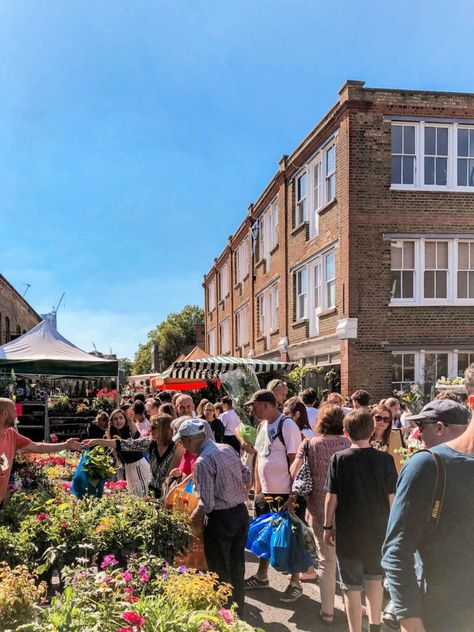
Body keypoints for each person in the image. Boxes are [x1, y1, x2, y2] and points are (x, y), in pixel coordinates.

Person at [382, 396, 474, 632]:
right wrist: (410, 621)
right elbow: (397, 552)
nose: (418, 435)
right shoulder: (427, 466)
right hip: (443, 617)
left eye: (422, 427)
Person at [324, 409, 398, 632]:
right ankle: (375, 625)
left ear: (346, 433)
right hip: (378, 530)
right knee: (375, 579)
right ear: (372, 431)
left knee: (351, 586)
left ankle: (355, 629)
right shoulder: (385, 460)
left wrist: (328, 526)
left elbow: (331, 496)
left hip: (348, 531)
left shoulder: (339, 459)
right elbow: (392, 498)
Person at [174, 419, 250, 617]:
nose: (183, 446)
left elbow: (206, 504)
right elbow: (246, 475)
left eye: (183, 441)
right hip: (240, 513)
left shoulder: (203, 461)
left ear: (191, 439)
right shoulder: (226, 448)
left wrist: (188, 521)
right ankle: (239, 612)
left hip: (220, 519)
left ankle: (226, 617)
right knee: (237, 566)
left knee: (220, 571)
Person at [289, 404, 351, 624]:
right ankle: (351, 606)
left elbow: (294, 472)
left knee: (326, 562)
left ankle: (327, 612)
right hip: (347, 511)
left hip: (318, 510)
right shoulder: (348, 444)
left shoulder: (310, 444)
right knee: (348, 561)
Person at [244, 389, 304, 603]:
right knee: (264, 537)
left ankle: (295, 582)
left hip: (285, 494)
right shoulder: (262, 426)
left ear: (267, 404)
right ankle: (262, 576)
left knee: (291, 539)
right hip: (266, 492)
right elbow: (260, 456)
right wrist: (257, 489)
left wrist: (293, 495)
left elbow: (296, 462)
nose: (252, 409)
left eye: (254, 405)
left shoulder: (287, 425)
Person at [0, 398, 82, 505]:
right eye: (14, 411)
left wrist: (66, 445)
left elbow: (37, 447)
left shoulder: (11, 434)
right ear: (5, 414)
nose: (17, 414)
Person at [84, 413, 182, 498]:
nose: (149, 429)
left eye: (153, 427)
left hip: (170, 493)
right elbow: (124, 444)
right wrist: (96, 441)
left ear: (163, 430)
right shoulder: (150, 443)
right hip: (152, 490)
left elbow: (174, 474)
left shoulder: (176, 448)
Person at [105, 408, 151, 497]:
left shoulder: (128, 430)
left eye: (121, 418)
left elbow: (136, 436)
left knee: (144, 493)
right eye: (116, 419)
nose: (119, 421)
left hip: (138, 465)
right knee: (134, 494)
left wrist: (131, 419)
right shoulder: (113, 435)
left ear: (125, 419)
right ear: (112, 422)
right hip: (128, 467)